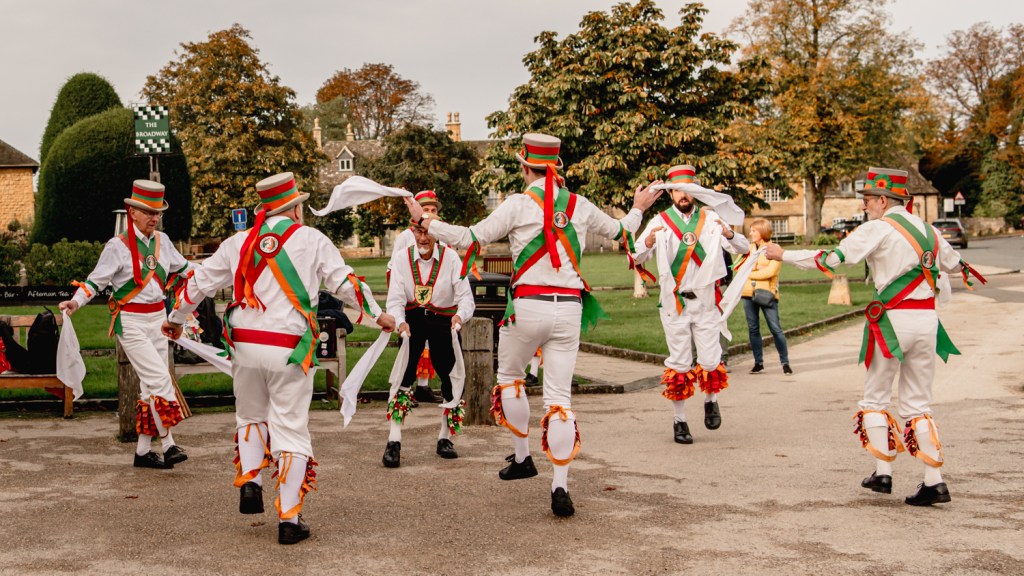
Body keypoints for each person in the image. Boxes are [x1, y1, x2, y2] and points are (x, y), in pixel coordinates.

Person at [404, 132, 662, 517]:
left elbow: (469, 238)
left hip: (527, 307)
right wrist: (638, 207)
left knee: (510, 377)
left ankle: (523, 456)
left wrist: (424, 219)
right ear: (556, 168)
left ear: (525, 168)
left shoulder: (517, 205)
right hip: (569, 308)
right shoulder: (578, 204)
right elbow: (622, 231)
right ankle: (560, 486)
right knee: (559, 398)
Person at [161, 172, 395, 544]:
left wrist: (175, 320)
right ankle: (289, 519)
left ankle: (251, 480)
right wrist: (378, 314)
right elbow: (344, 283)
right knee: (290, 428)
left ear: (265, 210)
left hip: (246, 346)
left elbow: (198, 283)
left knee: (250, 416)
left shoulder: (238, 242)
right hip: (289, 348)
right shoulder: (312, 239)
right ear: (296, 209)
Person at [765, 167, 985, 506]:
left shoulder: (878, 228)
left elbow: (833, 259)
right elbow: (955, 265)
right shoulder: (929, 230)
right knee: (918, 403)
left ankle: (883, 473)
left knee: (875, 398)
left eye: (868, 199)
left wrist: (784, 254)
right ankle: (934, 481)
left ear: (884, 200)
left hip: (892, 322)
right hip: (927, 321)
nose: (864, 205)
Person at [59, 180, 192, 470]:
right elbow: (95, 281)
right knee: (160, 379)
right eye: (148, 212)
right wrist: (76, 302)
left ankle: (143, 452)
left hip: (159, 320)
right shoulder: (117, 246)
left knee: (149, 386)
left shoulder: (163, 242)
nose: (154, 217)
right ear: (132, 212)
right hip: (131, 321)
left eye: (157, 212)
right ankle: (168, 445)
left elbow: (187, 270)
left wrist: (222, 272)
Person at [632, 165, 749, 445]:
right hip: (675, 303)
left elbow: (744, 248)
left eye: (688, 190)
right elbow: (634, 257)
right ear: (670, 193)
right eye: (677, 190)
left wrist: (729, 234)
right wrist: (647, 242)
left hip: (706, 301)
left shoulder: (711, 218)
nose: (683, 195)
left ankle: (710, 400)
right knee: (680, 362)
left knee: (710, 360)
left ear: (695, 191)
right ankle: (679, 420)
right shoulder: (659, 221)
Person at [383, 222, 474, 467]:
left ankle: (445, 437)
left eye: (428, 233)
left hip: (443, 319)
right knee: (403, 375)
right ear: (412, 233)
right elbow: (395, 298)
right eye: (419, 233)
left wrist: (459, 317)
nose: (423, 238)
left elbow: (466, 297)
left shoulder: (451, 258)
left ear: (436, 233)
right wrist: (400, 322)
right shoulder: (402, 258)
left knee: (450, 375)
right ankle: (394, 441)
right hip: (412, 319)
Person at [388, 190, 444, 404]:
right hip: (411, 302)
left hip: (433, 302)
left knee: (429, 346)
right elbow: (393, 269)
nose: (429, 213)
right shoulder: (405, 237)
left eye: (433, 209)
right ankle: (404, 389)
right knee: (410, 346)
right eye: (425, 209)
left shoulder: (439, 235)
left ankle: (423, 386)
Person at [741, 218, 791, 375]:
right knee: (753, 329)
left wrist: (749, 273)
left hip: (767, 294)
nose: (750, 233)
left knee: (775, 328)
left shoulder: (774, 249)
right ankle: (758, 363)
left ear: (762, 232)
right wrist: (749, 272)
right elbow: (738, 267)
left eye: (753, 231)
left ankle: (785, 362)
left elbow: (771, 271)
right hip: (747, 293)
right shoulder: (747, 249)